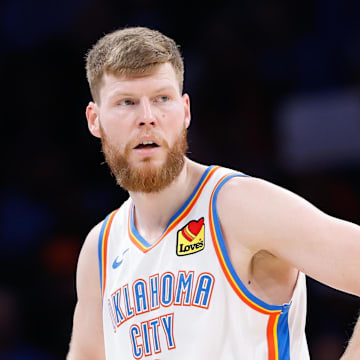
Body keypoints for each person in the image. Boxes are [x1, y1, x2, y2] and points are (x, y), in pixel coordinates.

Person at [67, 26, 360, 360]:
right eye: (127, 102)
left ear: (186, 110)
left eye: (162, 98)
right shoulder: (100, 249)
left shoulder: (238, 206)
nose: (147, 118)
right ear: (95, 120)